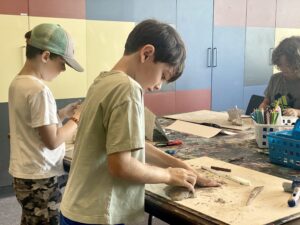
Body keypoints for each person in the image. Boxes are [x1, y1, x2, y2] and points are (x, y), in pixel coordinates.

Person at [60, 19, 220, 225]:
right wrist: (168, 176)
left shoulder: (102, 81)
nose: (158, 86)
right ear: (146, 53)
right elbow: (121, 166)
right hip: (100, 215)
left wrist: (178, 165)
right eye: (163, 75)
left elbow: (128, 145)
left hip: (78, 208)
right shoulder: (127, 88)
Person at [8, 23, 84, 225]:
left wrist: (62, 114)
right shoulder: (39, 90)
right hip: (40, 179)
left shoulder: (18, 82)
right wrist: (77, 118)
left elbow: (33, 123)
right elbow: (53, 140)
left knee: (31, 220)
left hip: (24, 175)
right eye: (62, 63)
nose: (63, 70)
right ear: (45, 56)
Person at [259, 36, 300, 117]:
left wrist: (297, 112)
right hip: (274, 126)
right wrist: (262, 108)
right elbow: (266, 102)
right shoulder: (275, 79)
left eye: (288, 65)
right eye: (281, 65)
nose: (283, 69)